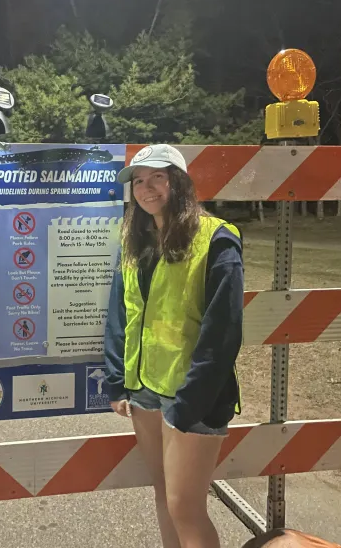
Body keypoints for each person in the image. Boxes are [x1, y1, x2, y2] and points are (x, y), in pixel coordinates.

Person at [103, 144, 245, 548]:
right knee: (164, 496)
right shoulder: (136, 241)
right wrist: (118, 381)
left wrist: (186, 407)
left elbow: (223, 334)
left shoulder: (216, 239)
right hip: (145, 391)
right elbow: (120, 313)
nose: (146, 189)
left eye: (157, 177)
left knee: (185, 506)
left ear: (179, 182)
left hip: (193, 398)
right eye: (139, 181)